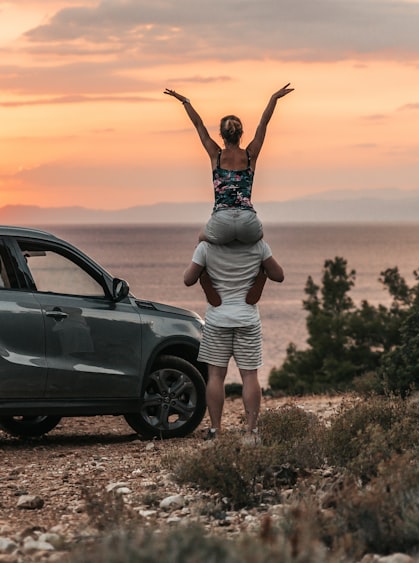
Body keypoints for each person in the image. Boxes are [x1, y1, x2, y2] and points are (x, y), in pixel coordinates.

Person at [164, 84, 294, 245]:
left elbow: (199, 125)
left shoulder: (216, 155)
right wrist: (273, 98)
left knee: (201, 240)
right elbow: (263, 124)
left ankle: (204, 271)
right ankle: (261, 270)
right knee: (260, 249)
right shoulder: (250, 155)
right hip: (248, 221)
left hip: (221, 221)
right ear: (241, 134)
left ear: (221, 135)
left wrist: (185, 101)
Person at [183, 239, 284, 442]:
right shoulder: (258, 246)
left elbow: (188, 279)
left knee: (216, 376)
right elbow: (279, 275)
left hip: (217, 319)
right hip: (247, 318)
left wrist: (200, 249)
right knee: (249, 375)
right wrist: (261, 267)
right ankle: (251, 432)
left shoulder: (207, 247)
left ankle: (216, 430)